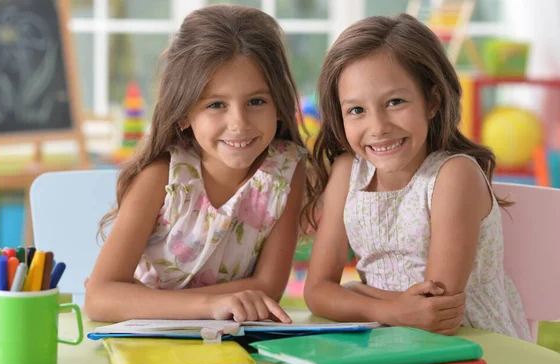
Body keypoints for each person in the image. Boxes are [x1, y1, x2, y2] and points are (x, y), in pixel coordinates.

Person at [302, 14, 530, 340]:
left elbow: (434, 313)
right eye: (357, 110)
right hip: (391, 339)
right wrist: (388, 310)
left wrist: (357, 294)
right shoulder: (347, 173)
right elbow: (316, 293)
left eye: (395, 102)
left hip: (474, 346)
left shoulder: (453, 177)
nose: (378, 127)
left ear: (432, 101)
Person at [85, 4, 308, 324]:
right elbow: (99, 297)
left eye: (256, 101)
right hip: (150, 342)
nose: (239, 123)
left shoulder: (285, 170)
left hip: (235, 341)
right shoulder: (162, 176)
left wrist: (142, 299)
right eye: (216, 104)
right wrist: (209, 306)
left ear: (278, 105)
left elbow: (267, 288)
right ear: (184, 113)